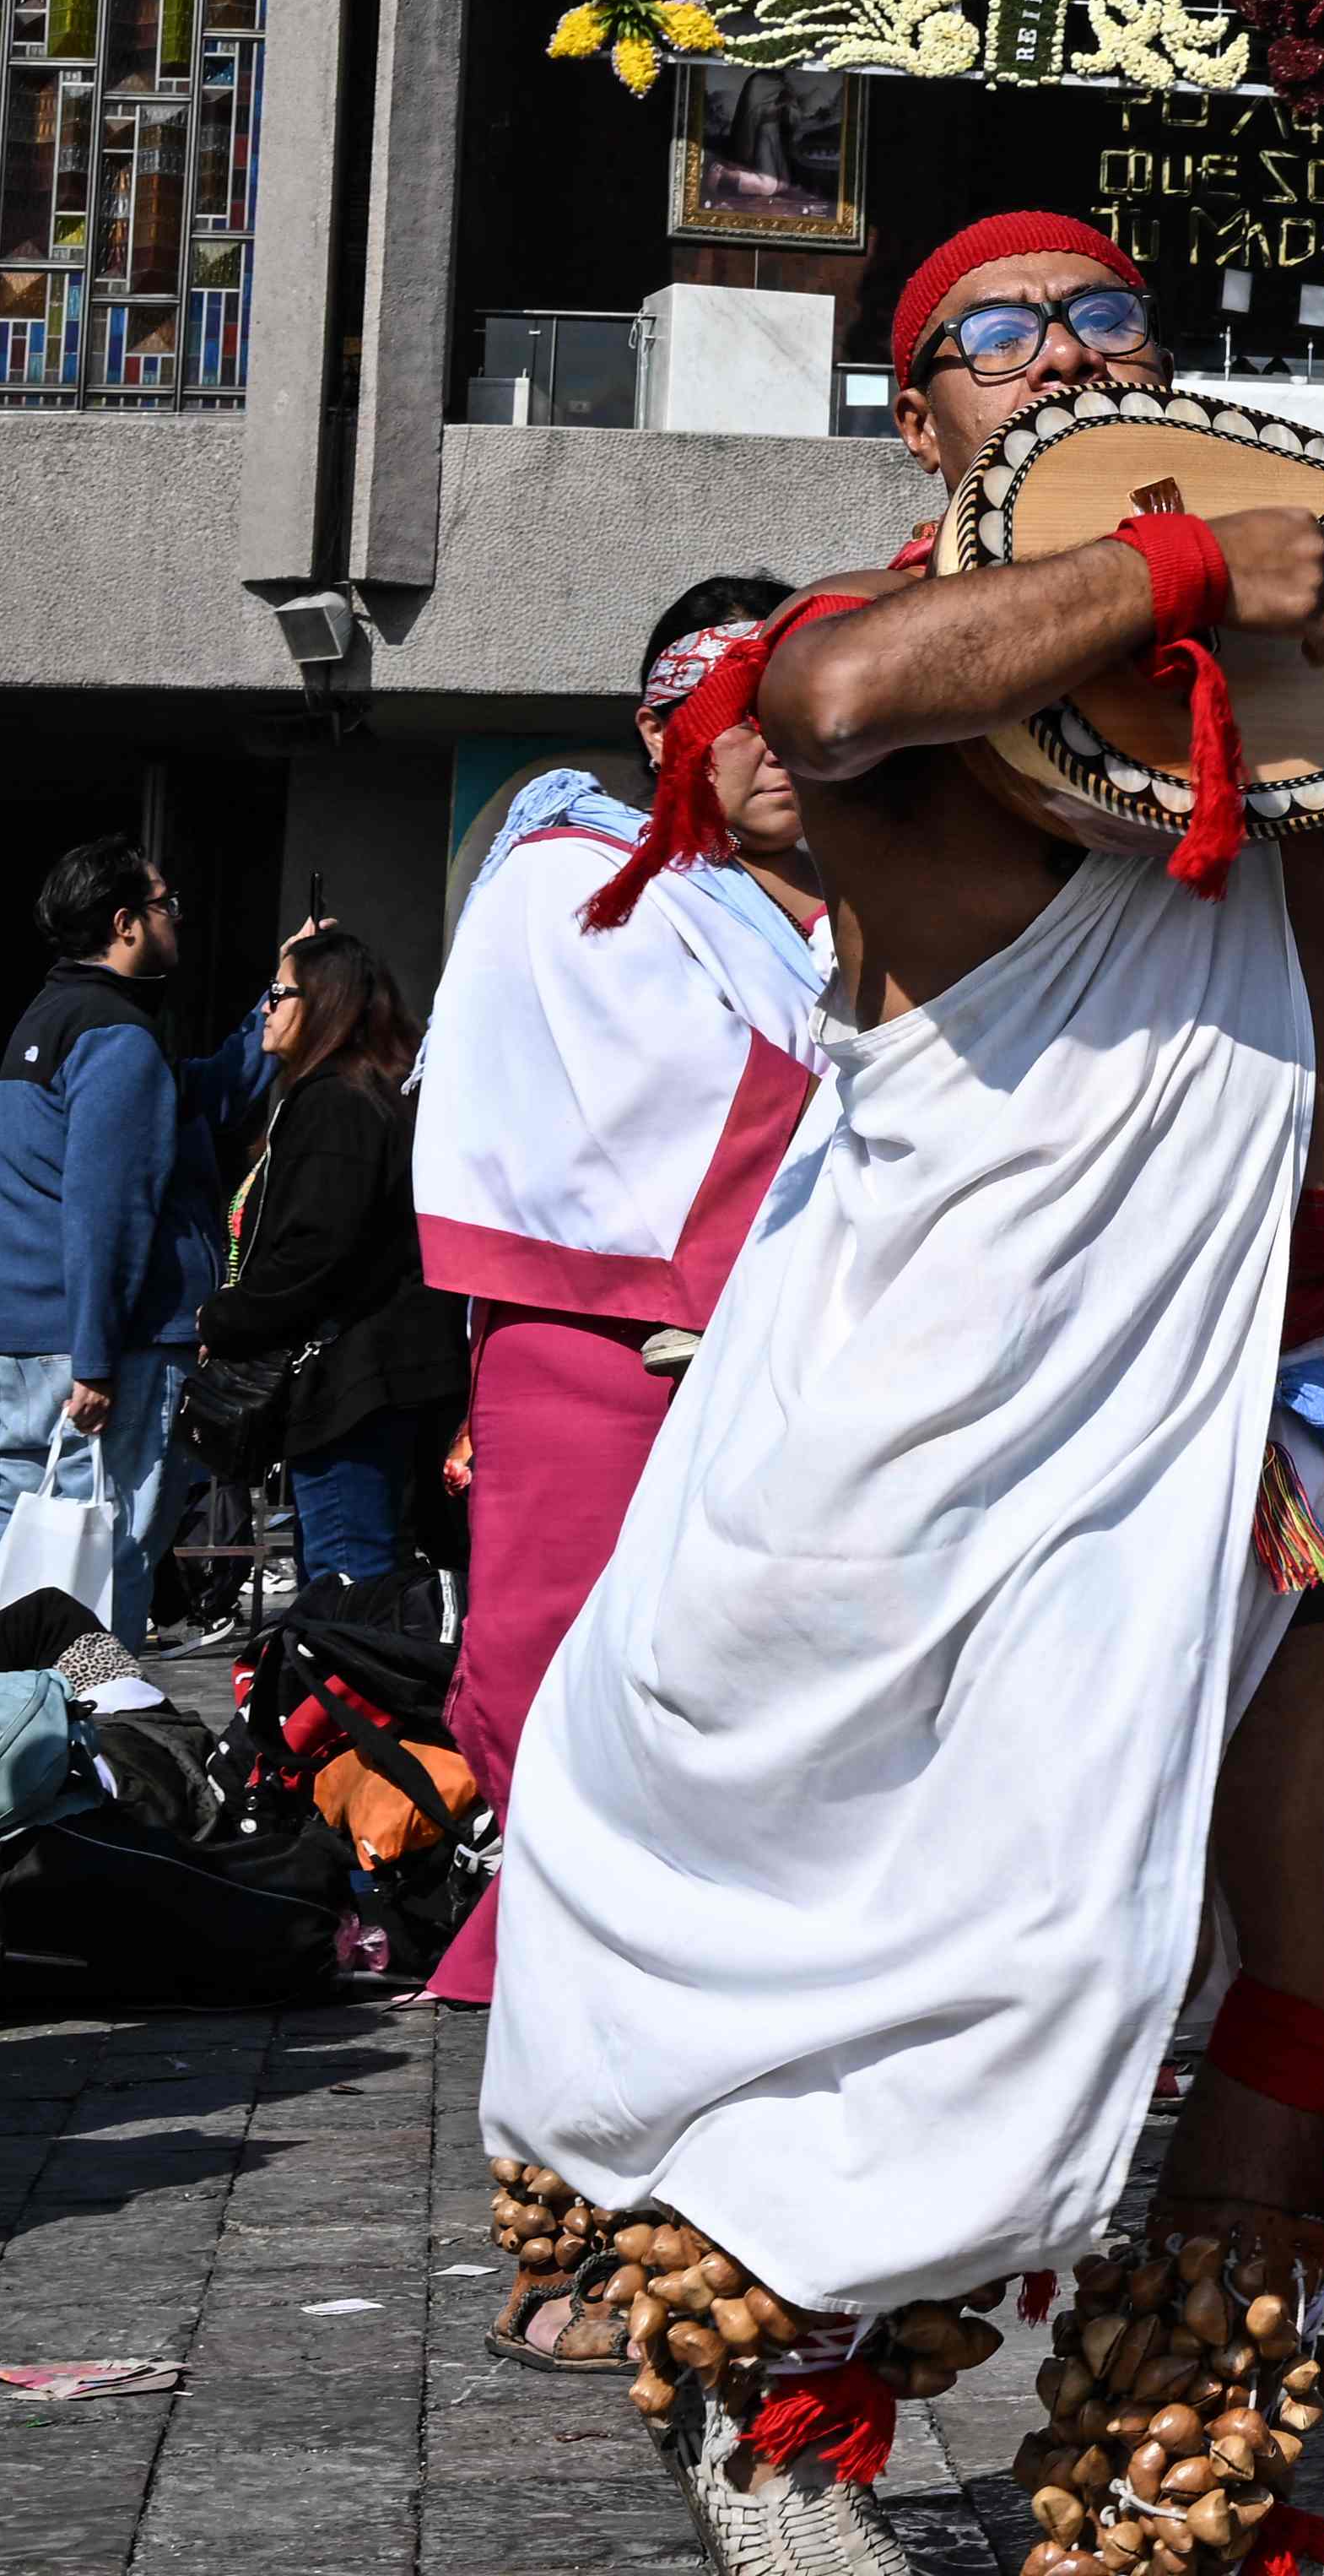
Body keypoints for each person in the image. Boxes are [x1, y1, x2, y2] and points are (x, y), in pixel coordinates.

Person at [484, 208, 1324, 2575]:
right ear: (923, 416)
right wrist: (1202, 565)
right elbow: (821, 709)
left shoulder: (1304, 740)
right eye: (1002, 336)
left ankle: (1157, 2491)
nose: (1069, 354)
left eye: (1112, 320)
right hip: (953, 1452)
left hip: (1266, 1413)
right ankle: (785, 2405)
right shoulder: (881, 688)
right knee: (964, 1966)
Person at [419, 572, 832, 2030]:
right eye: (749, 718)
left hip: (810, 1341)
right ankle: (584, 1945)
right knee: (551, 1652)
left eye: (810, 716)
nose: (786, 749)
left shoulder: (876, 899)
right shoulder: (573, 864)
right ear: (666, 722)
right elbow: (665, 1097)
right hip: (591, 1333)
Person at [0, 840, 227, 1601]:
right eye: (166, 905)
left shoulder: (49, 1017)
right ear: (127, 923)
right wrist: (96, 1359)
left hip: (27, 1334)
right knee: (103, 1555)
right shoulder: (117, 1036)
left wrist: (281, 1003)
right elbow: (110, 1208)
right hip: (105, 1348)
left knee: (14, 1541)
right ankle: (80, 1711)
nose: (177, 920)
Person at [201, 922, 464, 1593]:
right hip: (393, 1374)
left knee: (351, 1586)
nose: (266, 1006)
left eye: (280, 992)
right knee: (369, 1576)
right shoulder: (375, 1093)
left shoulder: (336, 1103)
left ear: (324, 1001)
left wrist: (225, 1320)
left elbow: (312, 1250)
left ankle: (352, 1699)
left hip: (357, 1383)